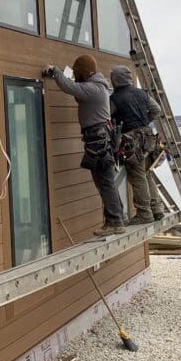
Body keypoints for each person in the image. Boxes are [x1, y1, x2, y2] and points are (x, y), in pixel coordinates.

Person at [42, 54, 125, 236]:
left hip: (98, 140)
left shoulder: (94, 88)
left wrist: (55, 71)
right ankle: (118, 217)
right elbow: (78, 93)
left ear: (86, 73)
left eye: (78, 73)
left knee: (104, 181)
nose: (77, 76)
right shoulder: (98, 87)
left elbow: (70, 88)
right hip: (101, 138)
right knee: (107, 181)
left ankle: (115, 222)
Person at [109, 65, 164, 224]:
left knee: (138, 177)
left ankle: (144, 214)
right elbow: (157, 109)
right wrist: (144, 121)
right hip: (148, 138)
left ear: (115, 79)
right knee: (147, 173)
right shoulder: (141, 93)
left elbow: (106, 117)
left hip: (131, 142)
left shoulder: (115, 98)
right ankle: (157, 209)